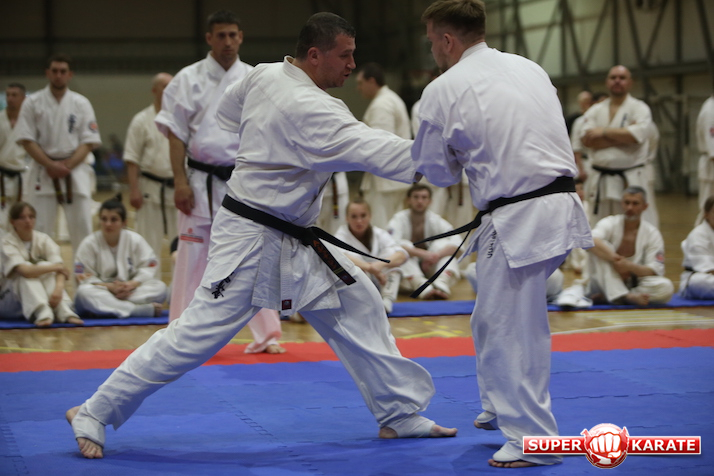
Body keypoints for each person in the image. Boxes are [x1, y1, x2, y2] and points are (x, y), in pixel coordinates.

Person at [66, 12, 457, 460]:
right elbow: (386, 153)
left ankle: (397, 412)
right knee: (193, 336)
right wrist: (457, 153)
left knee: (361, 302)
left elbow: (227, 113)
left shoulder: (265, 73)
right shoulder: (316, 110)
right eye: (345, 55)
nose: (353, 64)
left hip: (292, 236)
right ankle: (94, 410)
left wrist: (268, 147)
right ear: (315, 55)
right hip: (252, 240)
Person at [413, 0, 592, 467]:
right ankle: (497, 401)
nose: (432, 50)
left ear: (447, 40)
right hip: (558, 205)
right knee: (491, 319)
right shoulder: (529, 67)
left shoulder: (442, 88)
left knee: (512, 329)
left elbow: (437, 172)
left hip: (520, 215)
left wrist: (457, 155)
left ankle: (535, 440)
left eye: (432, 41)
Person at [155, 10, 284, 353]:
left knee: (251, 255)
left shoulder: (255, 77)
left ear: (241, 37)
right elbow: (175, 135)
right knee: (192, 259)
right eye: (221, 35)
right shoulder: (187, 79)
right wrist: (179, 181)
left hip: (243, 181)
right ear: (209, 38)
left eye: (233, 35)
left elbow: (268, 132)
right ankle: (180, 334)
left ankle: (268, 333)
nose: (227, 41)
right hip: (198, 180)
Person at [14, 54, 102, 254]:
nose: (58, 75)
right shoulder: (33, 102)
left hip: (75, 170)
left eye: (63, 71)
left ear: (70, 74)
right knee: (39, 229)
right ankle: (42, 273)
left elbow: (89, 141)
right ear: (47, 73)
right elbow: (26, 140)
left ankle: (83, 274)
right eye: (54, 71)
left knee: (82, 230)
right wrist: (51, 165)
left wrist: (67, 166)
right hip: (43, 170)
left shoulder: (81, 103)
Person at [580, 65, 657, 225]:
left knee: (634, 225)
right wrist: (624, 134)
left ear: (630, 82)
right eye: (613, 77)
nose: (617, 81)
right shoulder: (595, 110)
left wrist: (603, 131)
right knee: (599, 226)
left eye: (622, 78)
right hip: (600, 178)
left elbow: (637, 136)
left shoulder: (640, 108)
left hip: (630, 177)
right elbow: (588, 140)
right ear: (606, 82)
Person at [73, 198, 167, 318]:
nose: (108, 224)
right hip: (102, 291)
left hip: (129, 291)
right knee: (84, 293)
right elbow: (82, 276)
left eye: (114, 220)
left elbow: (149, 266)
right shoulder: (89, 243)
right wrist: (110, 287)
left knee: (160, 288)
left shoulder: (135, 240)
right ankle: (136, 310)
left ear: (124, 222)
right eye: (104, 219)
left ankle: (107, 308)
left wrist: (132, 284)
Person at [122, 73, 177, 273]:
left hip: (177, 188)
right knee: (147, 245)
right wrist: (133, 190)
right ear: (154, 90)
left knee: (181, 244)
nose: (169, 90)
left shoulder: (182, 118)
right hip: (149, 189)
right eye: (164, 86)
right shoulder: (141, 120)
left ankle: (180, 289)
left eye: (172, 86)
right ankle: (149, 287)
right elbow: (132, 159)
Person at [587, 186, 673, 306]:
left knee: (666, 287)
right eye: (626, 203)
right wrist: (615, 260)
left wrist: (629, 267)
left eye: (635, 204)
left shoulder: (652, 233)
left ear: (645, 206)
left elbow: (654, 270)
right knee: (602, 248)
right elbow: (590, 240)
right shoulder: (610, 222)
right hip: (604, 280)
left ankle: (613, 296)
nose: (630, 208)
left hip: (633, 283)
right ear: (621, 204)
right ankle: (625, 296)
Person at [1, 201, 82, 326]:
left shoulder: (43, 239)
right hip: (9, 300)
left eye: (31, 217)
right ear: (13, 222)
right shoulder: (6, 243)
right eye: (22, 218)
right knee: (25, 274)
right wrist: (55, 267)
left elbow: (60, 269)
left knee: (43, 267)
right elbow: (25, 271)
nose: (28, 221)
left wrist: (58, 288)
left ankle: (64, 311)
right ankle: (42, 312)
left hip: (45, 298)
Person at [356, 62, 413, 228]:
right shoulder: (390, 99)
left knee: (381, 229)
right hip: (392, 179)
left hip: (385, 180)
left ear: (372, 81)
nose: (358, 88)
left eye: (360, 83)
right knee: (393, 229)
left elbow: (380, 146)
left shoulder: (382, 104)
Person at [387, 184, 461, 299]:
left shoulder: (435, 219)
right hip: (409, 272)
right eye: (416, 197)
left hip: (430, 267)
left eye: (424, 197)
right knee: (403, 248)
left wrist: (435, 255)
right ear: (408, 200)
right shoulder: (398, 219)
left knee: (442, 245)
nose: (420, 201)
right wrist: (424, 254)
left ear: (430, 201)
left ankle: (441, 283)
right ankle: (421, 285)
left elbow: (457, 241)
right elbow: (391, 243)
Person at [335, 197, 408, 313]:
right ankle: (365, 302)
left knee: (391, 257)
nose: (359, 221)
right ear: (347, 218)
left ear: (370, 216)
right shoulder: (341, 235)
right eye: (354, 216)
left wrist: (379, 265)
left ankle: (387, 301)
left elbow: (401, 254)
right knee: (353, 265)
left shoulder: (379, 233)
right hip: (357, 287)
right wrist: (370, 268)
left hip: (380, 280)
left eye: (363, 216)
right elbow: (341, 257)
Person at [0, 83, 28, 231]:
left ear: (23, 98)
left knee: (21, 217)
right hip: (1, 174)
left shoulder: (29, 121)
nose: (10, 98)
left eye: (14, 95)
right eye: (8, 95)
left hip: (23, 175)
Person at [680, 195, 714, 300]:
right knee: (701, 282)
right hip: (699, 278)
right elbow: (708, 269)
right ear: (706, 214)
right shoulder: (698, 235)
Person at [695, 93, 714, 225]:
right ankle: (699, 238)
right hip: (711, 169)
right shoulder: (710, 110)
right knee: (708, 210)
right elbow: (712, 148)